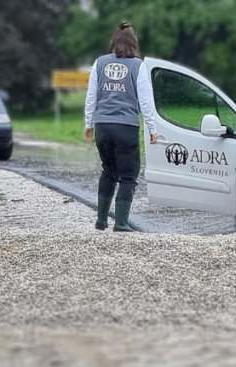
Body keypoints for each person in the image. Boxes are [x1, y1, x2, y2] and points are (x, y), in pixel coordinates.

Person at [84, 21, 158, 232]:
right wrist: (153, 129)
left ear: (114, 42)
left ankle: (101, 220)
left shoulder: (99, 63)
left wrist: (89, 124)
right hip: (126, 127)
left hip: (103, 126)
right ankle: (121, 222)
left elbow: (91, 97)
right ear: (134, 43)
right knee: (128, 176)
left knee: (108, 171)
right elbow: (146, 101)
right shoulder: (138, 65)